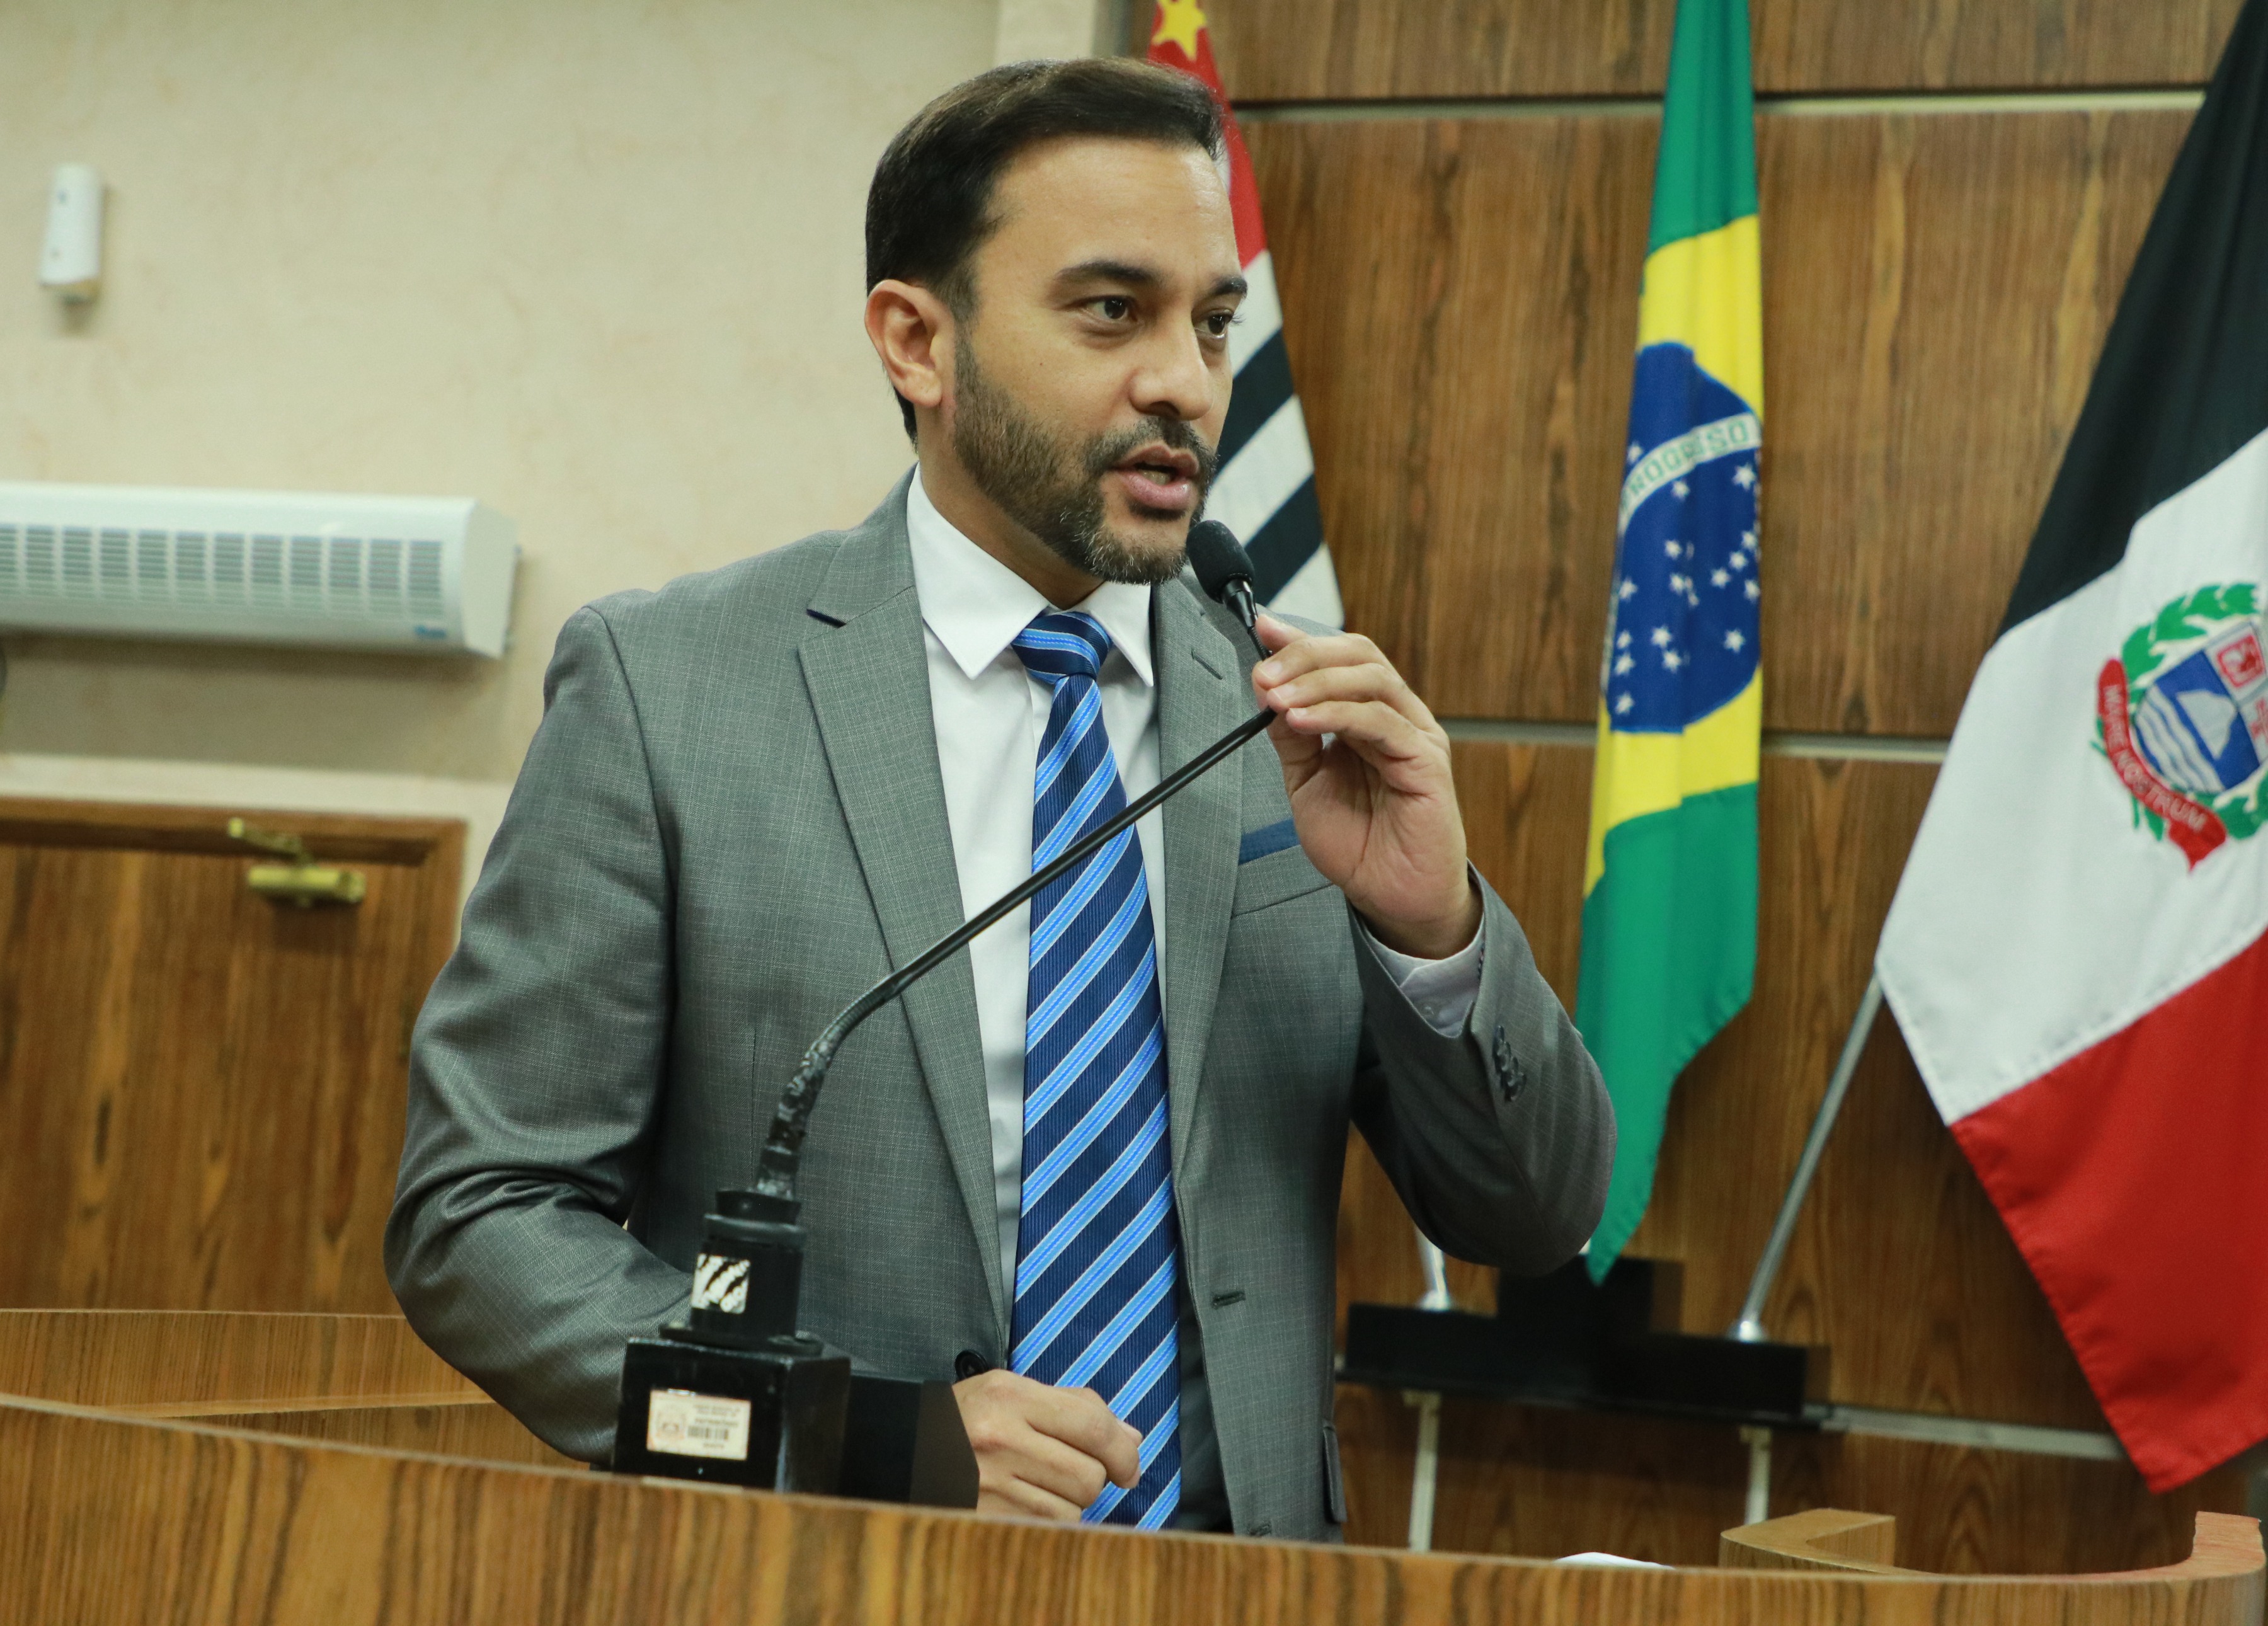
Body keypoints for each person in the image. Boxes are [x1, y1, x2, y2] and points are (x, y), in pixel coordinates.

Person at [387, 57, 1614, 1542]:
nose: (1184, 383)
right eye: (1110, 311)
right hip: (819, 1570)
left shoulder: (1288, 724)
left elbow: (1534, 1214)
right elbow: (483, 1218)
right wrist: (857, 1438)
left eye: (1211, 322)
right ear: (917, 341)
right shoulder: (671, 693)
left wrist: (1433, 932)